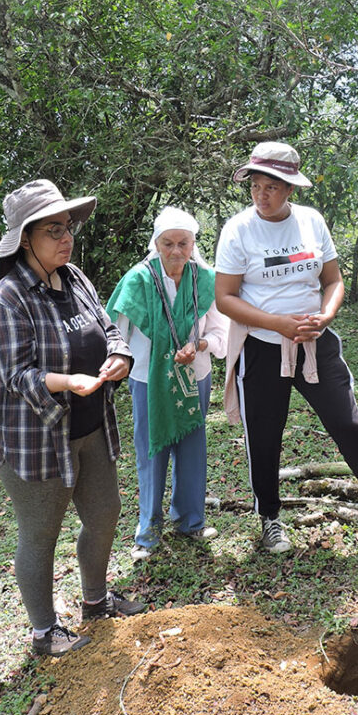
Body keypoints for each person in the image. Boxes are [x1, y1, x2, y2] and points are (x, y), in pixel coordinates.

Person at [214, 141, 358, 557]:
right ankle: (270, 518)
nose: (261, 196)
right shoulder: (239, 230)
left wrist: (325, 316)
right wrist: (277, 323)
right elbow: (225, 298)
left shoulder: (311, 221)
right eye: (255, 186)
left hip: (315, 345)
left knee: (348, 424)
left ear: (290, 188)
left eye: (272, 187)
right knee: (264, 435)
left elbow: (333, 280)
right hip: (263, 347)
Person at [0, 180, 144, 658]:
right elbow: (15, 375)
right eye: (53, 230)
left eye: (68, 227)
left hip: (90, 426)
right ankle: (44, 631)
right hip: (36, 439)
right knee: (40, 535)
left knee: (105, 513)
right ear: (25, 239)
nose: (66, 237)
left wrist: (120, 356)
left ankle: (95, 601)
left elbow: (108, 328)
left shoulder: (74, 278)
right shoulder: (7, 299)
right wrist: (66, 381)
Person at [107, 207, 228, 560]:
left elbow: (221, 332)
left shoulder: (205, 279)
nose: (176, 251)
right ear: (156, 244)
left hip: (195, 375)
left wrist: (200, 344)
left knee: (192, 448)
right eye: (168, 243)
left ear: (193, 244)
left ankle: (190, 521)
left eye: (183, 243)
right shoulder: (138, 281)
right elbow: (115, 334)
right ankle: (147, 531)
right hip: (148, 378)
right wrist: (116, 362)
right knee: (152, 452)